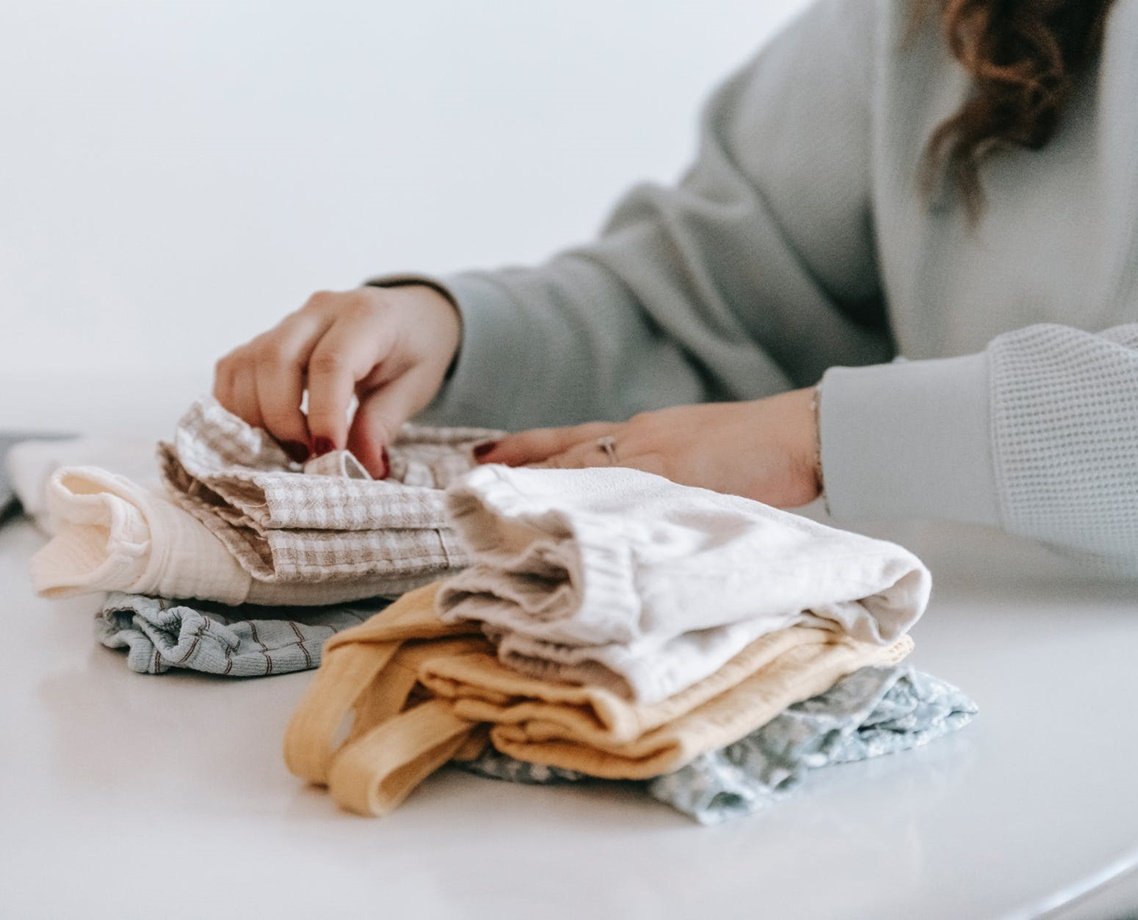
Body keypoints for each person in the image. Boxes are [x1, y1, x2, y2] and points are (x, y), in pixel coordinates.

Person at [212, 0, 1137, 575]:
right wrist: (455, 329)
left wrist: (815, 436)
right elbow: (715, 302)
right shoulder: (919, 23)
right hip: (973, 674)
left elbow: (761, 436)